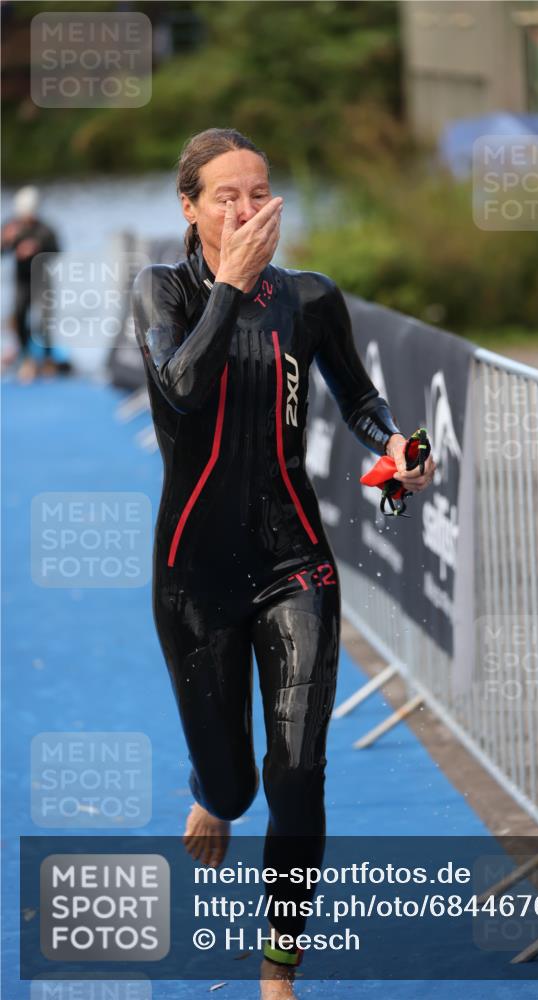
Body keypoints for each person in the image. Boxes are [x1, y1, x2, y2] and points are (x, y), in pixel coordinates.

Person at [132, 127, 436, 998]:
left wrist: (399, 449)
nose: (247, 208)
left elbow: (362, 401)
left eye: (258, 191)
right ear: (188, 210)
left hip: (293, 560)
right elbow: (182, 391)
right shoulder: (163, 291)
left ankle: (279, 965)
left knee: (297, 772)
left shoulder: (309, 298)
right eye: (225, 195)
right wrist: (226, 286)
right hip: (193, 576)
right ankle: (210, 787)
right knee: (233, 782)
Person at [1, 185, 62, 382]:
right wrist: (5, 241)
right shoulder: (11, 227)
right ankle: (26, 358)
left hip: (41, 280)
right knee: (18, 315)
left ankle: (48, 360)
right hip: (21, 280)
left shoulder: (45, 229)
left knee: (44, 320)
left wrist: (37, 249)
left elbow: (57, 251)